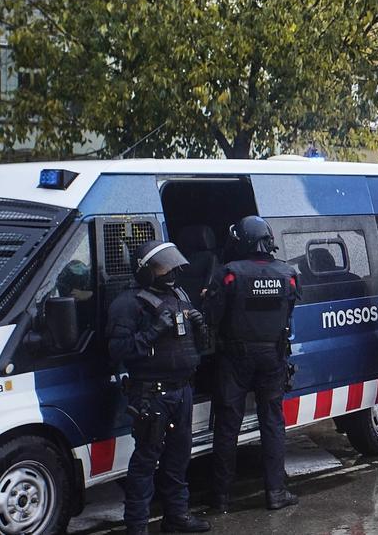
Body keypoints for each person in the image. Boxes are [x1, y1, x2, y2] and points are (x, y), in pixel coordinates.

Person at [108, 240, 211, 535]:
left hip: (182, 390)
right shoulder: (128, 304)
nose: (169, 272)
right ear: (146, 271)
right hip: (151, 394)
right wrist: (153, 332)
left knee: (179, 459)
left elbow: (194, 345)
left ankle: (177, 516)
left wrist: (201, 327)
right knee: (145, 462)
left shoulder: (178, 294)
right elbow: (119, 351)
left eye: (170, 265)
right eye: (161, 267)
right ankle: (137, 526)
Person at [207, 216, 300, 513]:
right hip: (273, 356)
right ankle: (275, 493)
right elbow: (289, 312)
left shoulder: (229, 273)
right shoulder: (288, 273)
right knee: (272, 424)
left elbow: (212, 318)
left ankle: (220, 497)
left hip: (235, 358)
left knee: (227, 426)